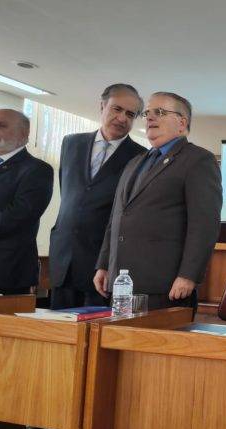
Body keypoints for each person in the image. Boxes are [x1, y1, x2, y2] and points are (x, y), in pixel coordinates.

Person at [94, 92, 222, 312]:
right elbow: (117, 218)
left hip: (165, 287)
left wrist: (188, 275)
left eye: (160, 112)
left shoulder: (198, 160)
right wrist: (104, 265)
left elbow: (204, 226)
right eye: (148, 113)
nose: (150, 117)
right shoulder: (135, 162)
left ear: (182, 123)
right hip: (121, 284)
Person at [49, 84, 146, 309]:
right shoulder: (71, 143)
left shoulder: (140, 156)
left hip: (103, 263)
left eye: (130, 114)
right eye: (116, 109)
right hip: (64, 256)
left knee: (95, 333)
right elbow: (70, 194)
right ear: (102, 106)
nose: (122, 118)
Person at [0, 109, 53, 294]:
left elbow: (17, 216)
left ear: (23, 134)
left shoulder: (37, 170)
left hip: (3, 272)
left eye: (1, 125)